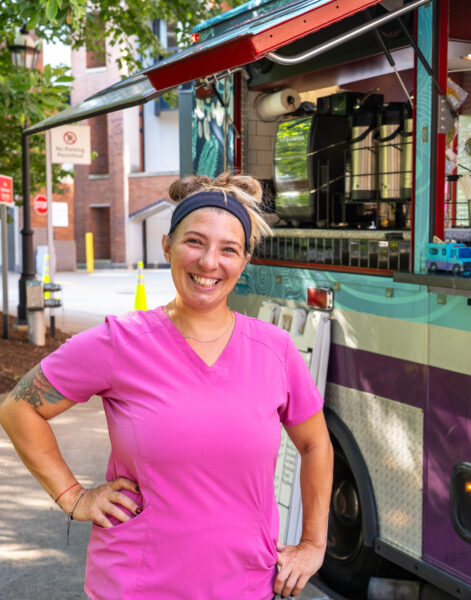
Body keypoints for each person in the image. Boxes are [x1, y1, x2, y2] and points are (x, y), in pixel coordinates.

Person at [0, 173, 334, 599]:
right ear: (167, 246)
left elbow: (316, 445)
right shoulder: (120, 343)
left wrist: (313, 545)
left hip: (247, 584)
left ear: (245, 261)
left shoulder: (275, 349)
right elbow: (19, 408)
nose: (209, 262)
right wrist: (73, 496)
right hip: (137, 586)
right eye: (195, 242)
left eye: (228, 249)